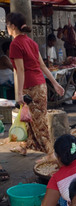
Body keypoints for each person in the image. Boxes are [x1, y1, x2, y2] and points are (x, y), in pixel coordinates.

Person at [7, 12, 64, 160]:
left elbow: (20, 70)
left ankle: (50, 153)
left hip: (31, 87)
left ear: (13, 26)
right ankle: (25, 146)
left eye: (7, 25)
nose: (7, 27)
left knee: (39, 121)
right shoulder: (31, 42)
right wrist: (55, 84)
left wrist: (18, 93)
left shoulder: (15, 44)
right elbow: (43, 66)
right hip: (39, 85)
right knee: (29, 118)